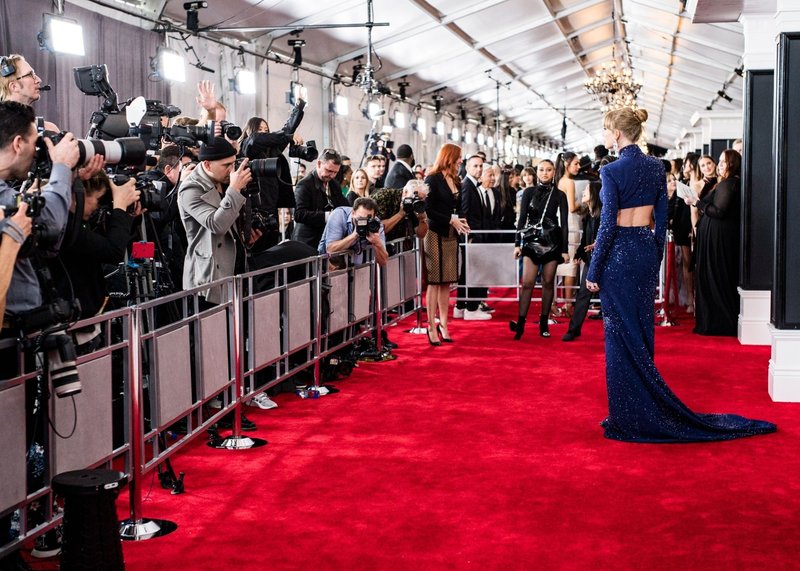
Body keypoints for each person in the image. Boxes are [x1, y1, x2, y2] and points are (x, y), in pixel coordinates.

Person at [585, 107, 775, 442]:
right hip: (644, 250)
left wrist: (595, 267)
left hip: (618, 255)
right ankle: (641, 409)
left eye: (604, 130)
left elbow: (607, 224)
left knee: (619, 335)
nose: (603, 136)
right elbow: (662, 220)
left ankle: (628, 417)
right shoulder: (656, 168)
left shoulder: (612, 171)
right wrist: (654, 254)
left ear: (616, 133)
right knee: (642, 332)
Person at [178, 137, 254, 305]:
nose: (231, 170)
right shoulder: (191, 189)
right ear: (207, 164)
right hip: (208, 278)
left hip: (235, 269)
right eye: (226, 165)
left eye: (233, 164)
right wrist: (234, 189)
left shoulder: (225, 181)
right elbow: (216, 225)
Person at [511, 160, 569, 340]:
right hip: (531, 241)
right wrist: (517, 244)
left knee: (548, 282)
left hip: (552, 242)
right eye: (541, 170)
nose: (545, 173)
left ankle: (544, 323)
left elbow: (564, 224)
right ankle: (520, 324)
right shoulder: (528, 192)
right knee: (527, 282)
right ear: (537, 172)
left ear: (554, 172)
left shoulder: (560, 195)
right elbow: (521, 220)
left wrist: (564, 250)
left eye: (548, 170)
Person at [689, 149, 742, 336]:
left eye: (723, 161)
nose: (719, 164)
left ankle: (719, 323)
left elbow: (719, 211)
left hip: (719, 240)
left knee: (717, 278)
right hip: (714, 238)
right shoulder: (725, 183)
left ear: (732, 164)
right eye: (718, 161)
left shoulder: (729, 184)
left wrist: (698, 203)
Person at [423, 143, 469, 345]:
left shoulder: (457, 180)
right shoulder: (432, 179)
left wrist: (461, 221)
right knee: (434, 281)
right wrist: (450, 220)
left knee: (447, 282)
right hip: (434, 233)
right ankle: (431, 326)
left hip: (452, 235)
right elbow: (428, 209)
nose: (461, 160)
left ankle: (444, 323)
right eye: (459, 157)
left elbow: (456, 208)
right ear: (449, 157)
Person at [562, 181, 601, 341]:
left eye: (587, 189)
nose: (583, 192)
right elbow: (586, 237)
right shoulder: (588, 214)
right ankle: (574, 329)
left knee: (610, 298)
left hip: (605, 260)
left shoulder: (603, 214)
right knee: (583, 294)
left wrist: (597, 245)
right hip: (591, 259)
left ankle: (619, 333)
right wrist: (579, 253)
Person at [292, 148, 347, 248]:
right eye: (329, 170)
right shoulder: (304, 184)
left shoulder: (334, 184)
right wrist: (327, 216)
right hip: (306, 242)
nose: (332, 175)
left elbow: (344, 204)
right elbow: (299, 214)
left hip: (326, 239)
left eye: (335, 172)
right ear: (318, 164)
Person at [318, 196, 388, 267]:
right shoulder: (339, 215)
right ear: (353, 213)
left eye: (368, 219)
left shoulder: (375, 224)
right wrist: (355, 235)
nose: (364, 222)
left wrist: (377, 243)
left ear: (374, 216)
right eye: (360, 218)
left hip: (356, 266)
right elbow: (330, 250)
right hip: (330, 266)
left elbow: (383, 262)